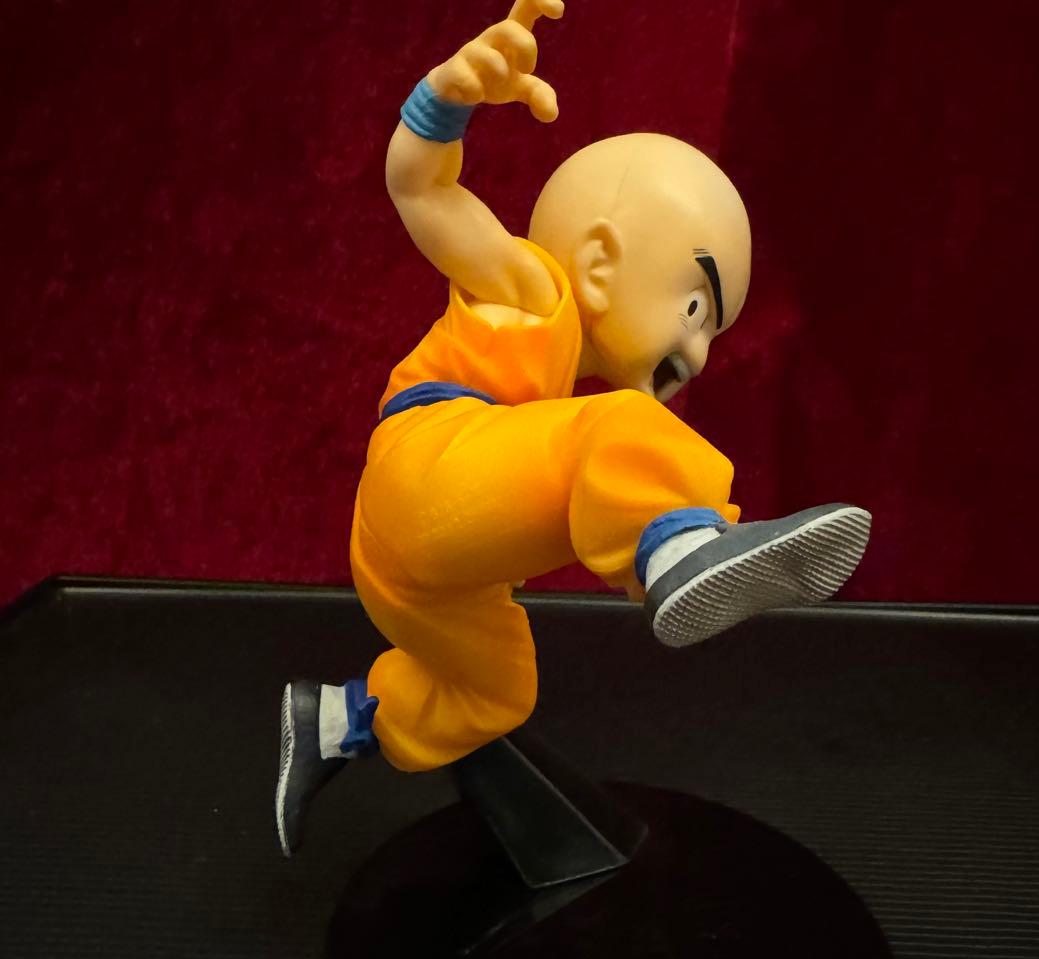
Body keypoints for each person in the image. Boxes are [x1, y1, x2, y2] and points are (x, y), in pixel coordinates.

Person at [276, 0, 870, 856]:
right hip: (424, 473)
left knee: (496, 694)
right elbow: (421, 189)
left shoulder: (559, 389)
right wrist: (443, 101)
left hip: (424, 575)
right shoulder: (529, 288)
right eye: (696, 309)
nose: (699, 355)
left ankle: (335, 720)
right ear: (596, 264)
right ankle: (675, 547)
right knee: (619, 432)